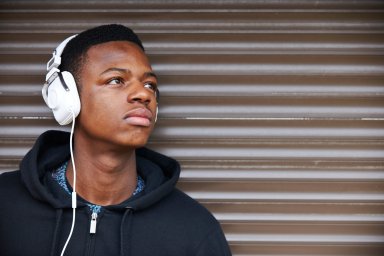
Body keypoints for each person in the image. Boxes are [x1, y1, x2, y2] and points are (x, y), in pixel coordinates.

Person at [0, 24, 232, 256]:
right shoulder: (6, 205)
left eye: (150, 84)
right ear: (66, 98)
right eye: (116, 80)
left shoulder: (194, 230)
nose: (144, 94)